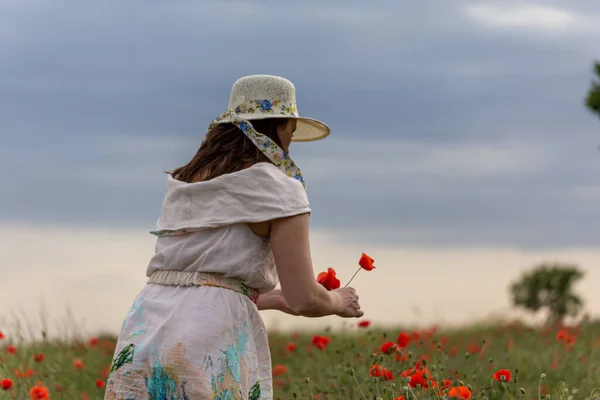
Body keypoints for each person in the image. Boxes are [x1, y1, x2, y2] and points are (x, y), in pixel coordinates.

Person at [104, 75, 363, 400]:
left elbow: (197, 284)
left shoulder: (188, 181)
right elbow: (304, 298)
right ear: (281, 125)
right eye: (291, 132)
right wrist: (339, 301)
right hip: (208, 337)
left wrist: (274, 299)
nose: (290, 143)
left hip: (146, 324)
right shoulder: (279, 189)